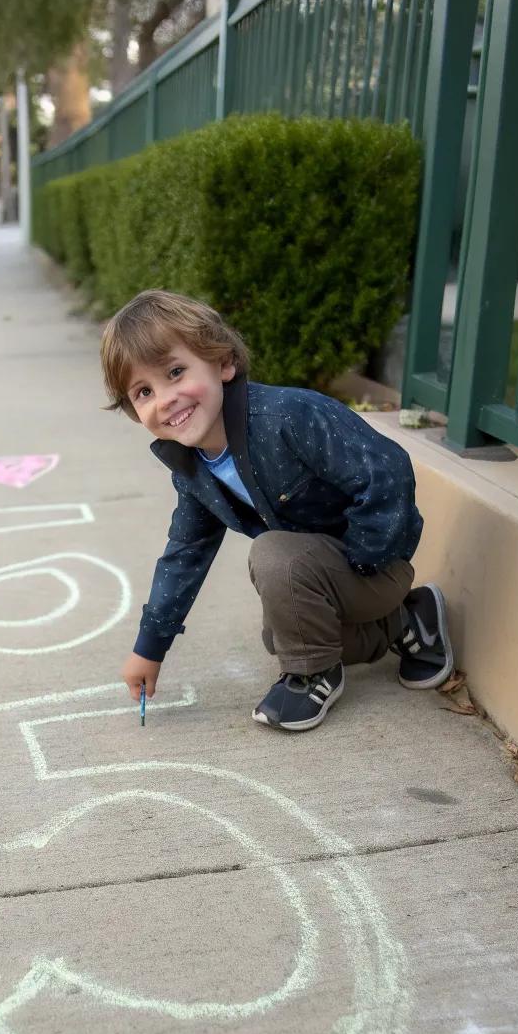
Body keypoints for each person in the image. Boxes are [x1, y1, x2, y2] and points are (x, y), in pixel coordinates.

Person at [100, 289, 455, 732]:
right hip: (327, 571)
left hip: (376, 563)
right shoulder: (194, 469)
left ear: (224, 364)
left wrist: (365, 560)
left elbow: (387, 471)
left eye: (175, 372)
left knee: (274, 560)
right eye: (144, 391)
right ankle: (409, 622)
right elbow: (185, 554)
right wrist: (149, 648)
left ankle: (313, 677)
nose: (165, 398)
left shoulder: (288, 416)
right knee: (283, 633)